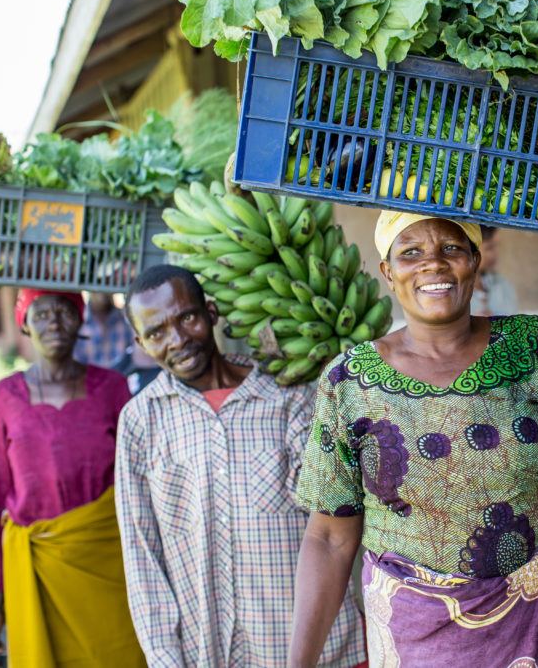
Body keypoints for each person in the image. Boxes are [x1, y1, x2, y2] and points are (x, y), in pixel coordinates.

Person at [287, 212, 538, 666]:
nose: (433, 265)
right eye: (410, 253)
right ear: (388, 272)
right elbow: (329, 537)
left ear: (475, 261)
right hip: (419, 635)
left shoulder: (532, 347)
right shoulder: (349, 382)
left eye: (451, 248)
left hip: (537, 621)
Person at [115, 265, 365, 667]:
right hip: (205, 650)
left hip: (311, 648)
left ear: (211, 313)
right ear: (140, 342)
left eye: (187, 318)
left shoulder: (288, 396)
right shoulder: (141, 421)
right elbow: (141, 553)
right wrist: (164, 658)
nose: (177, 340)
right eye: (157, 333)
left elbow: (333, 515)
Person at [0, 289, 144, 667]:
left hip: (108, 567)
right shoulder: (5, 397)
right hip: (36, 573)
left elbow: (138, 479)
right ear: (25, 324)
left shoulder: (111, 388)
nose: (54, 322)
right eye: (42, 313)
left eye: (65, 312)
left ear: (80, 319)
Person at [74, 291, 134, 368]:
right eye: (98, 282)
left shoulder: (126, 320)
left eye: (108, 281)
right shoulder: (79, 322)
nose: (102, 292)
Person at [470, 226, 518, 316]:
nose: (495, 253)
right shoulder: (453, 292)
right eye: (489, 248)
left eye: (496, 246)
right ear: (470, 251)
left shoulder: (502, 284)